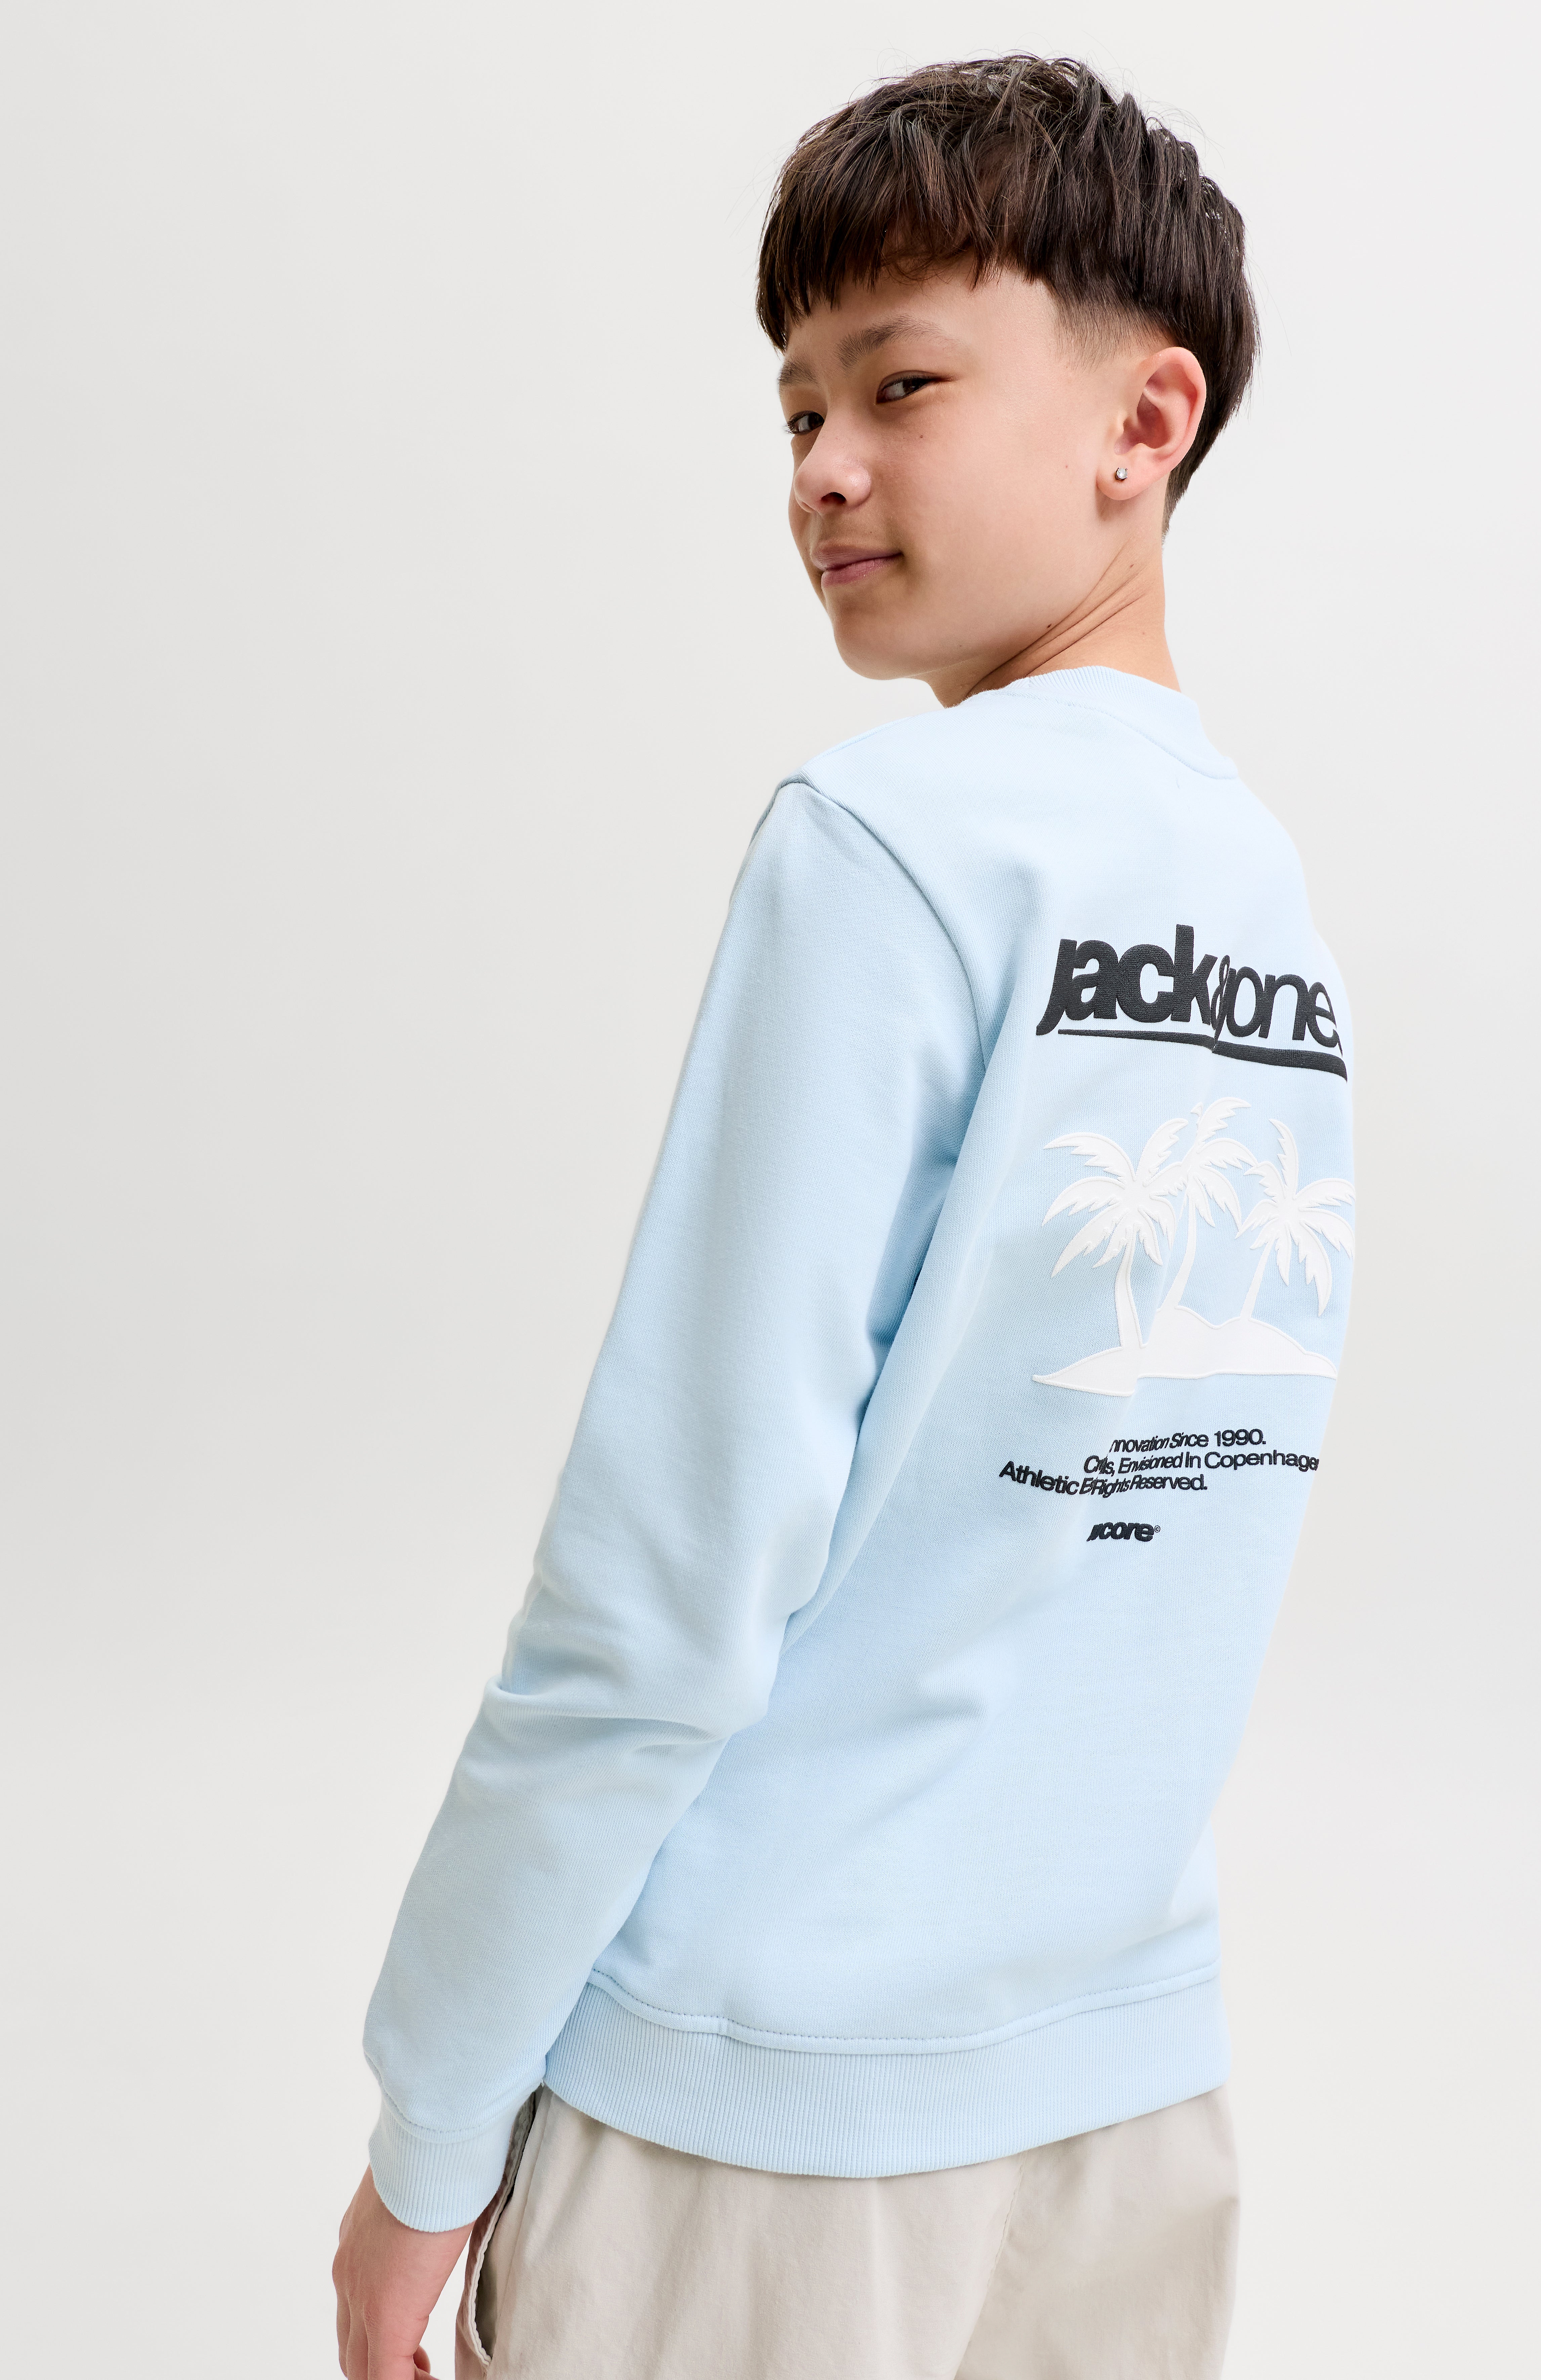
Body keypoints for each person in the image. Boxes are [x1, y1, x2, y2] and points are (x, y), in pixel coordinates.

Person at [333, 54, 1356, 2380]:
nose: (817, 466)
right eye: (794, 407)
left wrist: (429, 2132)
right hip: (1119, 2099)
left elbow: (658, 1598)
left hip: (760, 2131)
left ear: (1143, 422)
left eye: (899, 384)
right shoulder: (1260, 900)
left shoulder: (889, 846)